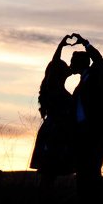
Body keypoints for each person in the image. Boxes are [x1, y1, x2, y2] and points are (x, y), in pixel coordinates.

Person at [68, 32, 103, 204]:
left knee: (92, 169)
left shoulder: (95, 74)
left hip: (97, 130)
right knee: (83, 170)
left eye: (72, 61)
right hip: (82, 132)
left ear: (80, 63)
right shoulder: (80, 85)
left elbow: (100, 61)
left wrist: (85, 43)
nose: (70, 65)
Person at [30, 34, 75, 190]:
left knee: (50, 174)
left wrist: (61, 46)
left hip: (55, 131)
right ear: (59, 73)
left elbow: (54, 64)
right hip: (55, 133)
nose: (68, 68)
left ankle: (43, 202)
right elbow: (55, 63)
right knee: (49, 172)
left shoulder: (52, 87)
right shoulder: (55, 90)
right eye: (64, 67)